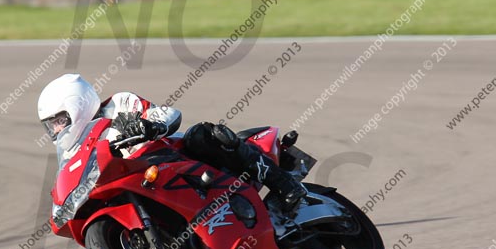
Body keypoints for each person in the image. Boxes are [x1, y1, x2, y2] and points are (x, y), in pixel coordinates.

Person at [37, 73, 304, 212]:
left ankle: (284, 183)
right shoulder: (72, 153)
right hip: (138, 184)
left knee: (202, 134)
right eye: (52, 125)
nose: (58, 128)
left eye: (59, 120)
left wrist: (149, 124)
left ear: (78, 105)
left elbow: (167, 113)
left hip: (169, 160)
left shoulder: (118, 104)